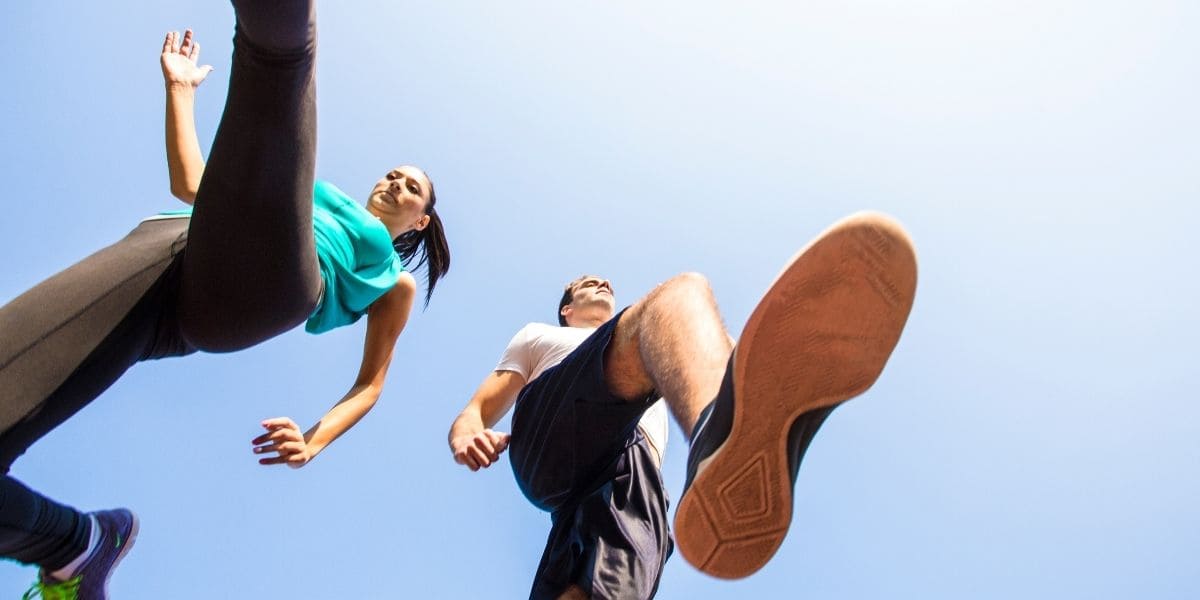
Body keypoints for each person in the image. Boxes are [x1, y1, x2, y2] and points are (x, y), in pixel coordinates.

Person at [0, 4, 448, 598]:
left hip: (269, 288)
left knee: (278, 71)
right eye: (393, 172)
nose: (395, 182)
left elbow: (371, 384)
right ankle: (77, 545)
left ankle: (278, 38)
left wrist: (313, 440)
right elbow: (191, 185)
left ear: (418, 222)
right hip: (167, 259)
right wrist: (179, 91)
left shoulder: (392, 278)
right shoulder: (309, 193)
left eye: (411, 186)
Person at [449, 214, 917, 599]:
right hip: (552, 443)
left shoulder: (666, 353)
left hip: (635, 473)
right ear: (566, 309)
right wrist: (468, 434)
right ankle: (722, 430)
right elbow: (478, 407)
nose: (603, 282)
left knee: (606, 592)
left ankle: (740, 429)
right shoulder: (542, 336)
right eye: (586, 284)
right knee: (678, 298)